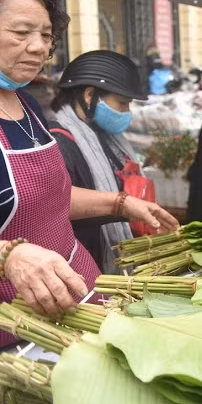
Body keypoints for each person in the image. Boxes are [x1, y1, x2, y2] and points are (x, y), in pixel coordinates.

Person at [0, 0, 178, 343]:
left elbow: (49, 200)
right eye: (21, 32)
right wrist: (9, 256)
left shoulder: (28, 105)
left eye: (46, 35)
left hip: (79, 296)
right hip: (17, 326)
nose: (38, 47)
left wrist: (120, 204)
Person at [48, 50, 153, 273]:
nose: (127, 112)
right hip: (84, 264)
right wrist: (120, 205)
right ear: (89, 95)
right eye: (122, 103)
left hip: (117, 256)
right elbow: (56, 206)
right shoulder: (58, 142)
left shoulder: (106, 137)